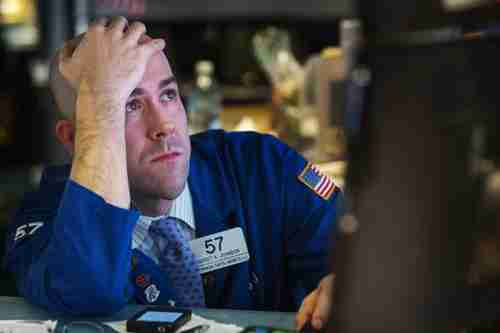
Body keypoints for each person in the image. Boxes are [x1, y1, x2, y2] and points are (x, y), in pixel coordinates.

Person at [3, 17, 340, 329]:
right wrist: (102, 98)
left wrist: (344, 282)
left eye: (168, 94)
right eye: (129, 105)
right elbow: (89, 291)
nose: (163, 125)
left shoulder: (261, 167)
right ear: (76, 138)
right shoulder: (47, 215)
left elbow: (362, 260)